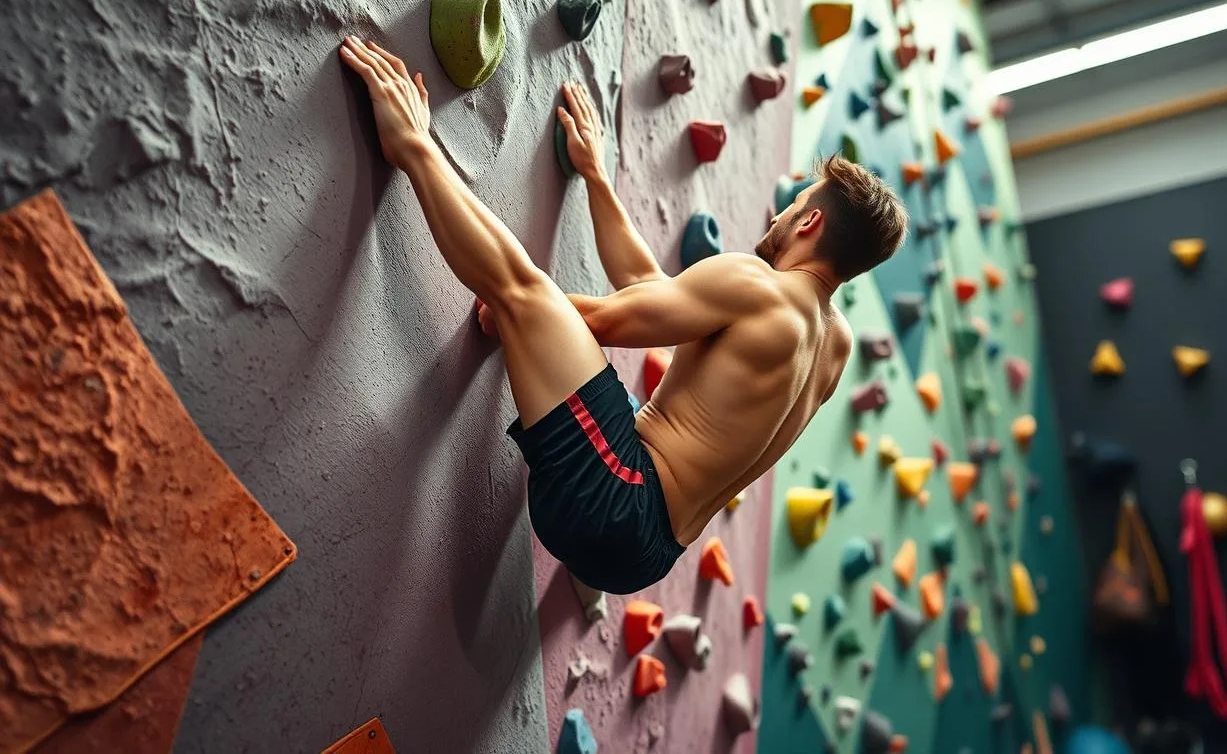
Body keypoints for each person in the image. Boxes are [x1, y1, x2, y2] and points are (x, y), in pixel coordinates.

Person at [338, 37, 908, 594]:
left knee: (526, 293)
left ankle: (409, 143)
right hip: (648, 556)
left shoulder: (761, 285)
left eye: (795, 205)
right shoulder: (834, 346)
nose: (780, 215)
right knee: (544, 316)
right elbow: (649, 289)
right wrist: (595, 176)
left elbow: (604, 321)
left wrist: (526, 319)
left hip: (619, 494)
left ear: (808, 224)